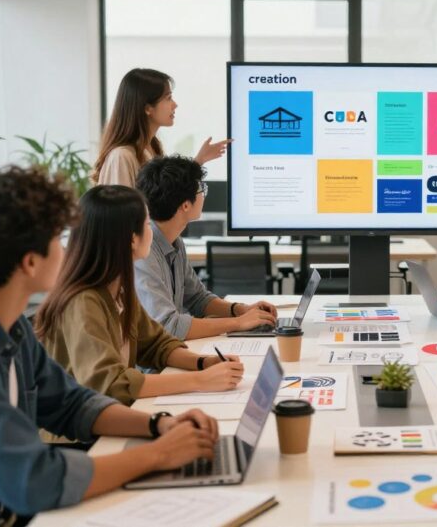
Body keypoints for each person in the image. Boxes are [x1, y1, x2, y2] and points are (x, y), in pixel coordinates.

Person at [0, 168, 221, 526]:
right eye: (56, 239)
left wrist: (159, 425)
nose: (67, 248)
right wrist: (157, 456)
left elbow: (71, 404)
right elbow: (32, 479)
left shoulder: (6, 324)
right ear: (30, 262)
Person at [36, 185, 245, 405]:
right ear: (131, 239)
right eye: (146, 224)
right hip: (80, 436)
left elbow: (156, 344)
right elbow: (111, 385)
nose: (152, 231)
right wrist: (200, 380)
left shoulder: (117, 288)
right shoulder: (83, 302)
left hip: (111, 415)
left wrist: (204, 363)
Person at [134, 156, 278, 339]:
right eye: (201, 188)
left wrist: (241, 310)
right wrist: (238, 323)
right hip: (152, 366)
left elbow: (198, 298)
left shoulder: (175, 242)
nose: (204, 193)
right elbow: (169, 326)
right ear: (185, 205)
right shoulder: (143, 253)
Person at [92, 67, 229, 187]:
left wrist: (199, 161)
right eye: (168, 98)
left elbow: (164, 199)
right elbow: (122, 213)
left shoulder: (152, 148)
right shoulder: (122, 156)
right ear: (147, 108)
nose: (175, 105)